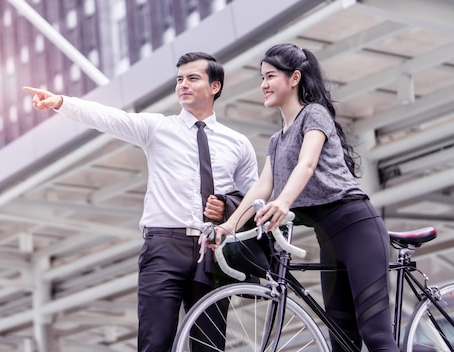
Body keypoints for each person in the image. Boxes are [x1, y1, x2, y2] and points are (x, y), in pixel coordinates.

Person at [23, 52, 259, 352]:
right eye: (179, 79)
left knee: (210, 346)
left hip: (213, 249)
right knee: (154, 342)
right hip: (164, 247)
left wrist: (227, 207)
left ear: (215, 87)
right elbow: (109, 118)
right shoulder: (157, 128)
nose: (183, 85)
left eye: (193, 78)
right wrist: (60, 102)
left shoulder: (237, 143)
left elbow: (255, 197)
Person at [213, 43, 399, 351]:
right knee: (341, 342)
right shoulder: (277, 139)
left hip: (357, 227)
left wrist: (283, 202)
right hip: (329, 240)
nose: (263, 85)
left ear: (294, 78)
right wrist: (230, 225)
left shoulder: (314, 114)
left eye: (270, 76)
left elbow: (307, 163)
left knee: (376, 335)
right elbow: (262, 187)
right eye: (262, 77)